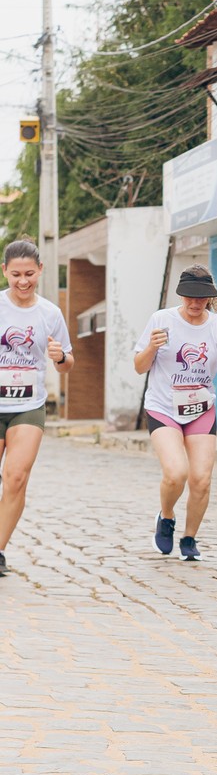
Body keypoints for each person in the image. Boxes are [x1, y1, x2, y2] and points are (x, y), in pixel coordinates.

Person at [134, 265, 217, 562]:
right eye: (189, 297)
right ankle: (167, 516)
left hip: (200, 408)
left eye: (201, 297)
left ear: (210, 297)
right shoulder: (162, 319)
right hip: (164, 406)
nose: (195, 303)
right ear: (181, 295)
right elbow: (140, 367)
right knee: (176, 472)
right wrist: (151, 348)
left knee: (201, 479)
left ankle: (189, 537)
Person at [0, 236, 73, 576]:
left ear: (41, 270)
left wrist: (60, 357)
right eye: (16, 274)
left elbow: (67, 362)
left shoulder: (50, 313)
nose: (23, 281)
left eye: (29, 274)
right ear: (4, 271)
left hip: (28, 405)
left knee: (16, 478)